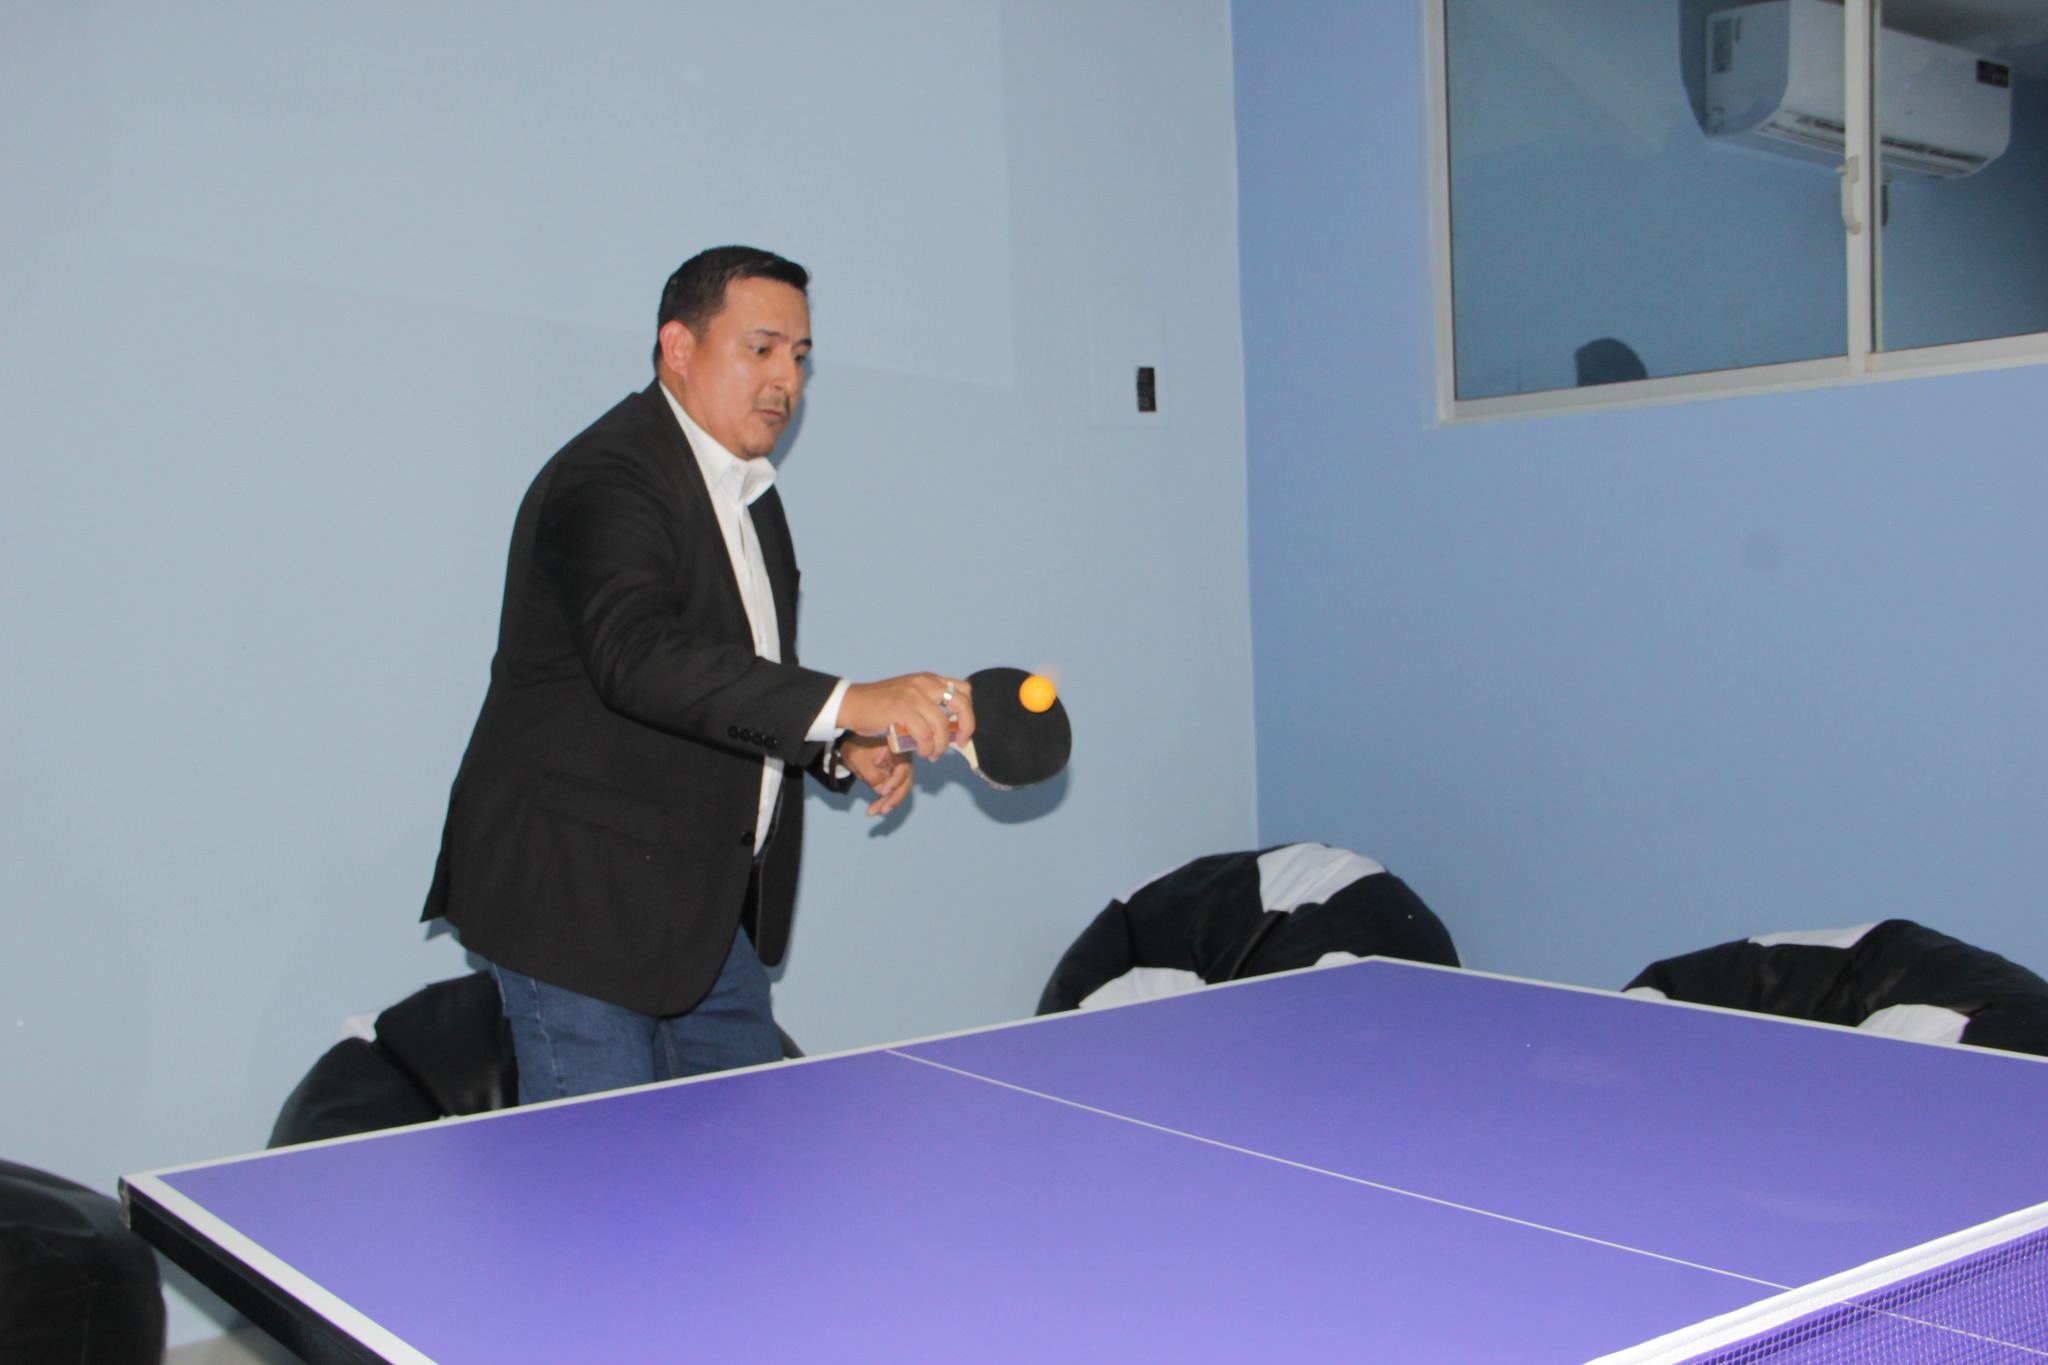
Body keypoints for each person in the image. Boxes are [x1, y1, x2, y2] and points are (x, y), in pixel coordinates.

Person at [421, 246, 974, 1102]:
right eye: (761, 348)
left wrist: (839, 745)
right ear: (678, 347)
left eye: (799, 356)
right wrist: (852, 699)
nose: (786, 379)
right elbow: (640, 659)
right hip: (578, 904)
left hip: (700, 910)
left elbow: (735, 681)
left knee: (750, 1156)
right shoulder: (609, 474)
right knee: (605, 1176)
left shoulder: (751, 496)